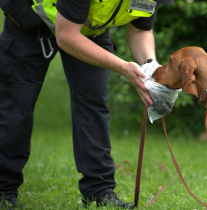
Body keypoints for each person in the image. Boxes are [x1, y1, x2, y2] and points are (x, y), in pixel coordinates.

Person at [0, 0, 173, 209]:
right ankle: (4, 190)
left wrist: (150, 68)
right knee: (17, 107)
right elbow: (66, 36)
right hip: (30, 21)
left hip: (88, 31)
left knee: (94, 106)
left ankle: (99, 192)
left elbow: (141, 30)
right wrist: (122, 67)